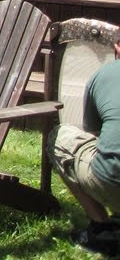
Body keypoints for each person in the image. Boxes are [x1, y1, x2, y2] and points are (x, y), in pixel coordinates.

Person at [48, 34, 120, 256]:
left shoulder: (104, 74)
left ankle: (102, 229)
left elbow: (94, 135)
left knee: (59, 137)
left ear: (117, 47)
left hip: (112, 181)